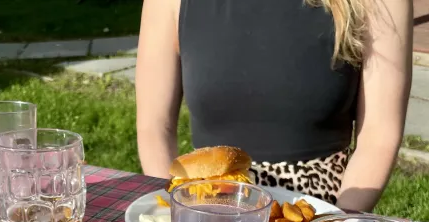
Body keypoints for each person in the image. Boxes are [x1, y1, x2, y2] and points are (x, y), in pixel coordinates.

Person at [135, 0, 413, 211]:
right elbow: (154, 126)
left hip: (319, 216)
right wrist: (176, 213)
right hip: (207, 212)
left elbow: (379, 135)